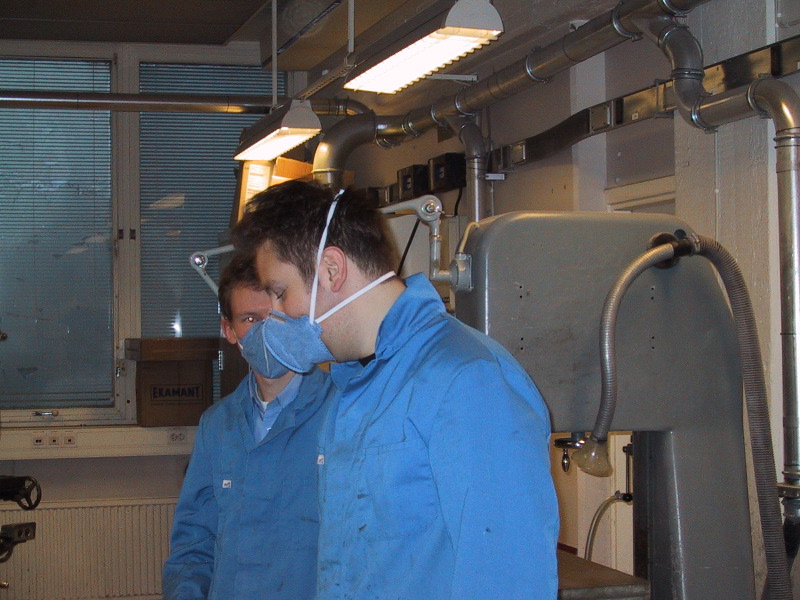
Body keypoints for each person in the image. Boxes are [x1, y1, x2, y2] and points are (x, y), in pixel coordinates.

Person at [232, 180, 559, 600]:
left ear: (331, 269)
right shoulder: (355, 385)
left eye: (280, 293)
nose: (276, 314)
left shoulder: (466, 380)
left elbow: (509, 580)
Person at [162, 252, 335, 600]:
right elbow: (194, 541)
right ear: (229, 330)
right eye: (250, 319)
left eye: (275, 317)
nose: (265, 331)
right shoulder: (217, 426)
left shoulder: (341, 412)